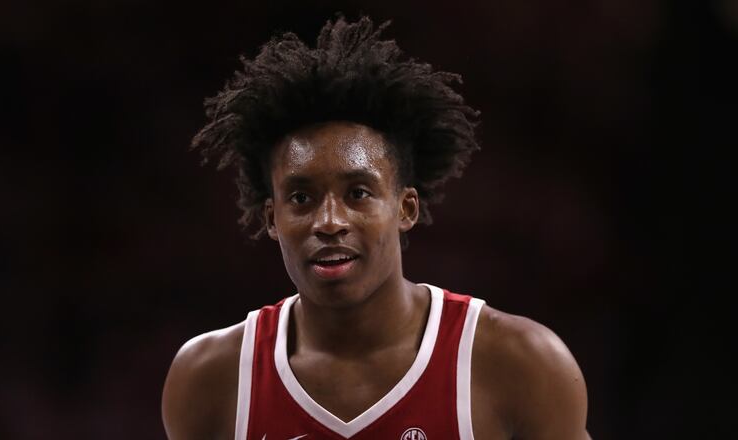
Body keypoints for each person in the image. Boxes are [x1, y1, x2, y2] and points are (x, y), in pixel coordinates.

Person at [162, 16, 591, 440]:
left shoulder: (521, 363)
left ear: (405, 208)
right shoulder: (209, 379)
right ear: (271, 219)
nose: (329, 222)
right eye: (301, 198)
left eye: (358, 193)